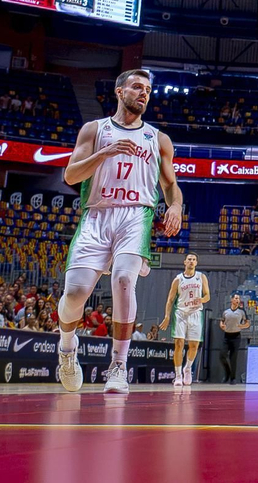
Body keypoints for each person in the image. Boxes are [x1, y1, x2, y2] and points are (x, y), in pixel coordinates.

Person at [55, 68, 183, 395]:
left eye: (148, 90)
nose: (144, 93)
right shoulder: (94, 130)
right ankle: (67, 350)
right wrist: (105, 153)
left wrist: (175, 206)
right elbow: (71, 175)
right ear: (119, 91)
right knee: (74, 294)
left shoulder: (158, 139)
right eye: (137, 87)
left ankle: (118, 366)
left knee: (125, 280)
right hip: (96, 215)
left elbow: (170, 185)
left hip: (135, 215)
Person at [162, 253, 210, 387]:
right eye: (189, 259)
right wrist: (167, 316)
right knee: (179, 344)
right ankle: (177, 375)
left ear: (196, 263)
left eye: (194, 259)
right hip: (180, 313)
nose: (191, 261)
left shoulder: (201, 277)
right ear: (184, 262)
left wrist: (201, 299)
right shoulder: (178, 279)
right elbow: (170, 300)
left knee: (194, 345)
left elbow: (207, 296)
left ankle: (187, 368)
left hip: (195, 312)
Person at [219, 296, 249, 383]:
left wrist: (242, 326)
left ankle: (233, 378)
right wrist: (221, 325)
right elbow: (222, 321)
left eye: (238, 299)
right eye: (236, 298)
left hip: (236, 336)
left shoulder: (242, 311)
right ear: (231, 300)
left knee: (233, 358)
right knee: (222, 355)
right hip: (227, 336)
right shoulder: (226, 312)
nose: (237, 300)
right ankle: (227, 372)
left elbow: (247, 323)